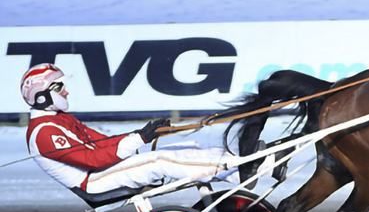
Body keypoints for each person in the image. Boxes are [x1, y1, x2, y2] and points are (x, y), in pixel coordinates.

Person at [21, 63, 251, 202]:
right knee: (159, 160)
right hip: (93, 183)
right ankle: (239, 171)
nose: (67, 92)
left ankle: (238, 163)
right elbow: (92, 159)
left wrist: (142, 133)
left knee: (181, 148)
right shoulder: (44, 132)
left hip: (102, 171)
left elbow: (102, 141)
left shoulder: (58, 119)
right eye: (59, 87)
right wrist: (139, 138)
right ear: (41, 96)